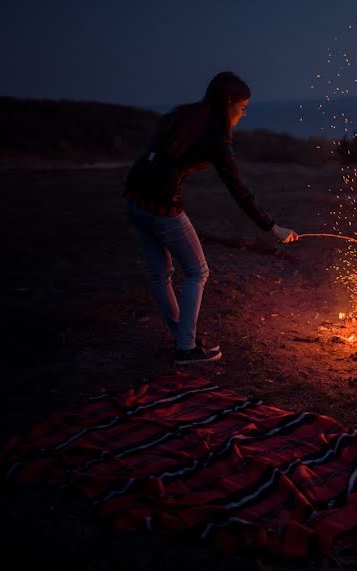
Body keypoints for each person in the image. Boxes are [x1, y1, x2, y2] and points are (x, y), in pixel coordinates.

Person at [124, 71, 298, 365]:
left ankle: (182, 337)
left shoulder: (183, 116)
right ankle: (186, 347)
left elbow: (154, 152)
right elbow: (239, 191)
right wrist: (272, 227)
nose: (244, 115)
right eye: (242, 108)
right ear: (228, 103)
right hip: (163, 208)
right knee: (198, 271)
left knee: (160, 274)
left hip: (134, 199)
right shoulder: (217, 139)